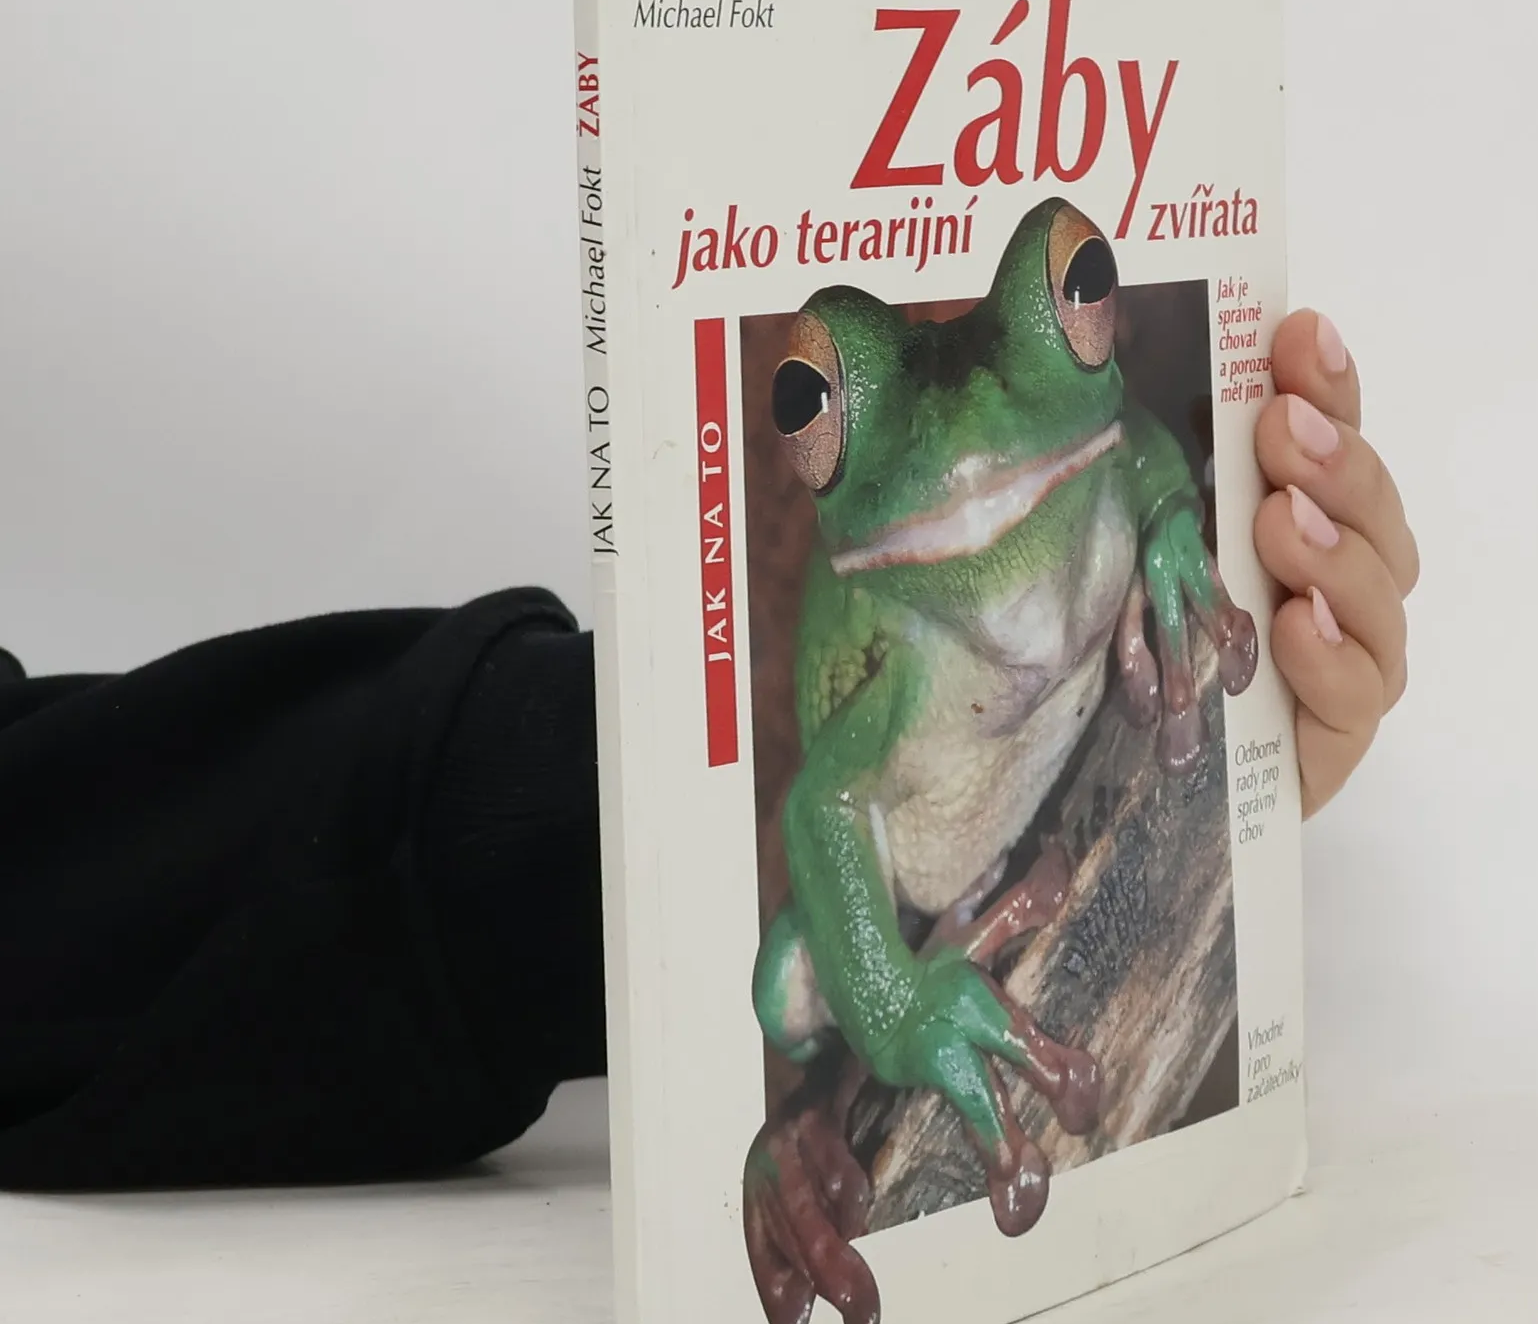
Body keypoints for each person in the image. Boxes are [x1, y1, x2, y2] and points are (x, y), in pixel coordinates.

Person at [0, 310, 1416, 1191]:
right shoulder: (883, 586)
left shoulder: (1091, 455)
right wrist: (890, 1009)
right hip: (908, 849)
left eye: (1079, 291)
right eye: (814, 405)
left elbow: (1141, 459)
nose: (964, 451)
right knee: (790, 988)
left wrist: (1195, 555)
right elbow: (825, 814)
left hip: (1029, 757)